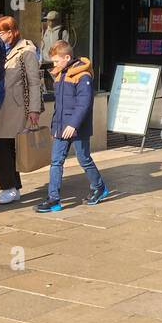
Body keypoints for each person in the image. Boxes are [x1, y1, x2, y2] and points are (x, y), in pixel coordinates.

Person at [36, 41, 107, 212]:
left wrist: (73, 124)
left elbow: (84, 104)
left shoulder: (83, 76)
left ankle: (99, 187)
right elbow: (59, 106)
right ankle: (53, 198)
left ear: (67, 57)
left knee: (84, 159)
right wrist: (55, 127)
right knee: (56, 162)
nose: (54, 65)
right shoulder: (60, 74)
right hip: (61, 128)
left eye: (56, 61)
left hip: (77, 127)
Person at [0, 16, 42, 204]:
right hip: (0, 105)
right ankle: (10, 187)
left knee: (4, 146)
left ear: (11, 32)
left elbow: (34, 83)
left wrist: (34, 109)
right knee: (5, 146)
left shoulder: (26, 51)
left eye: (0, 32)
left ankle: (9, 188)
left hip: (16, 107)